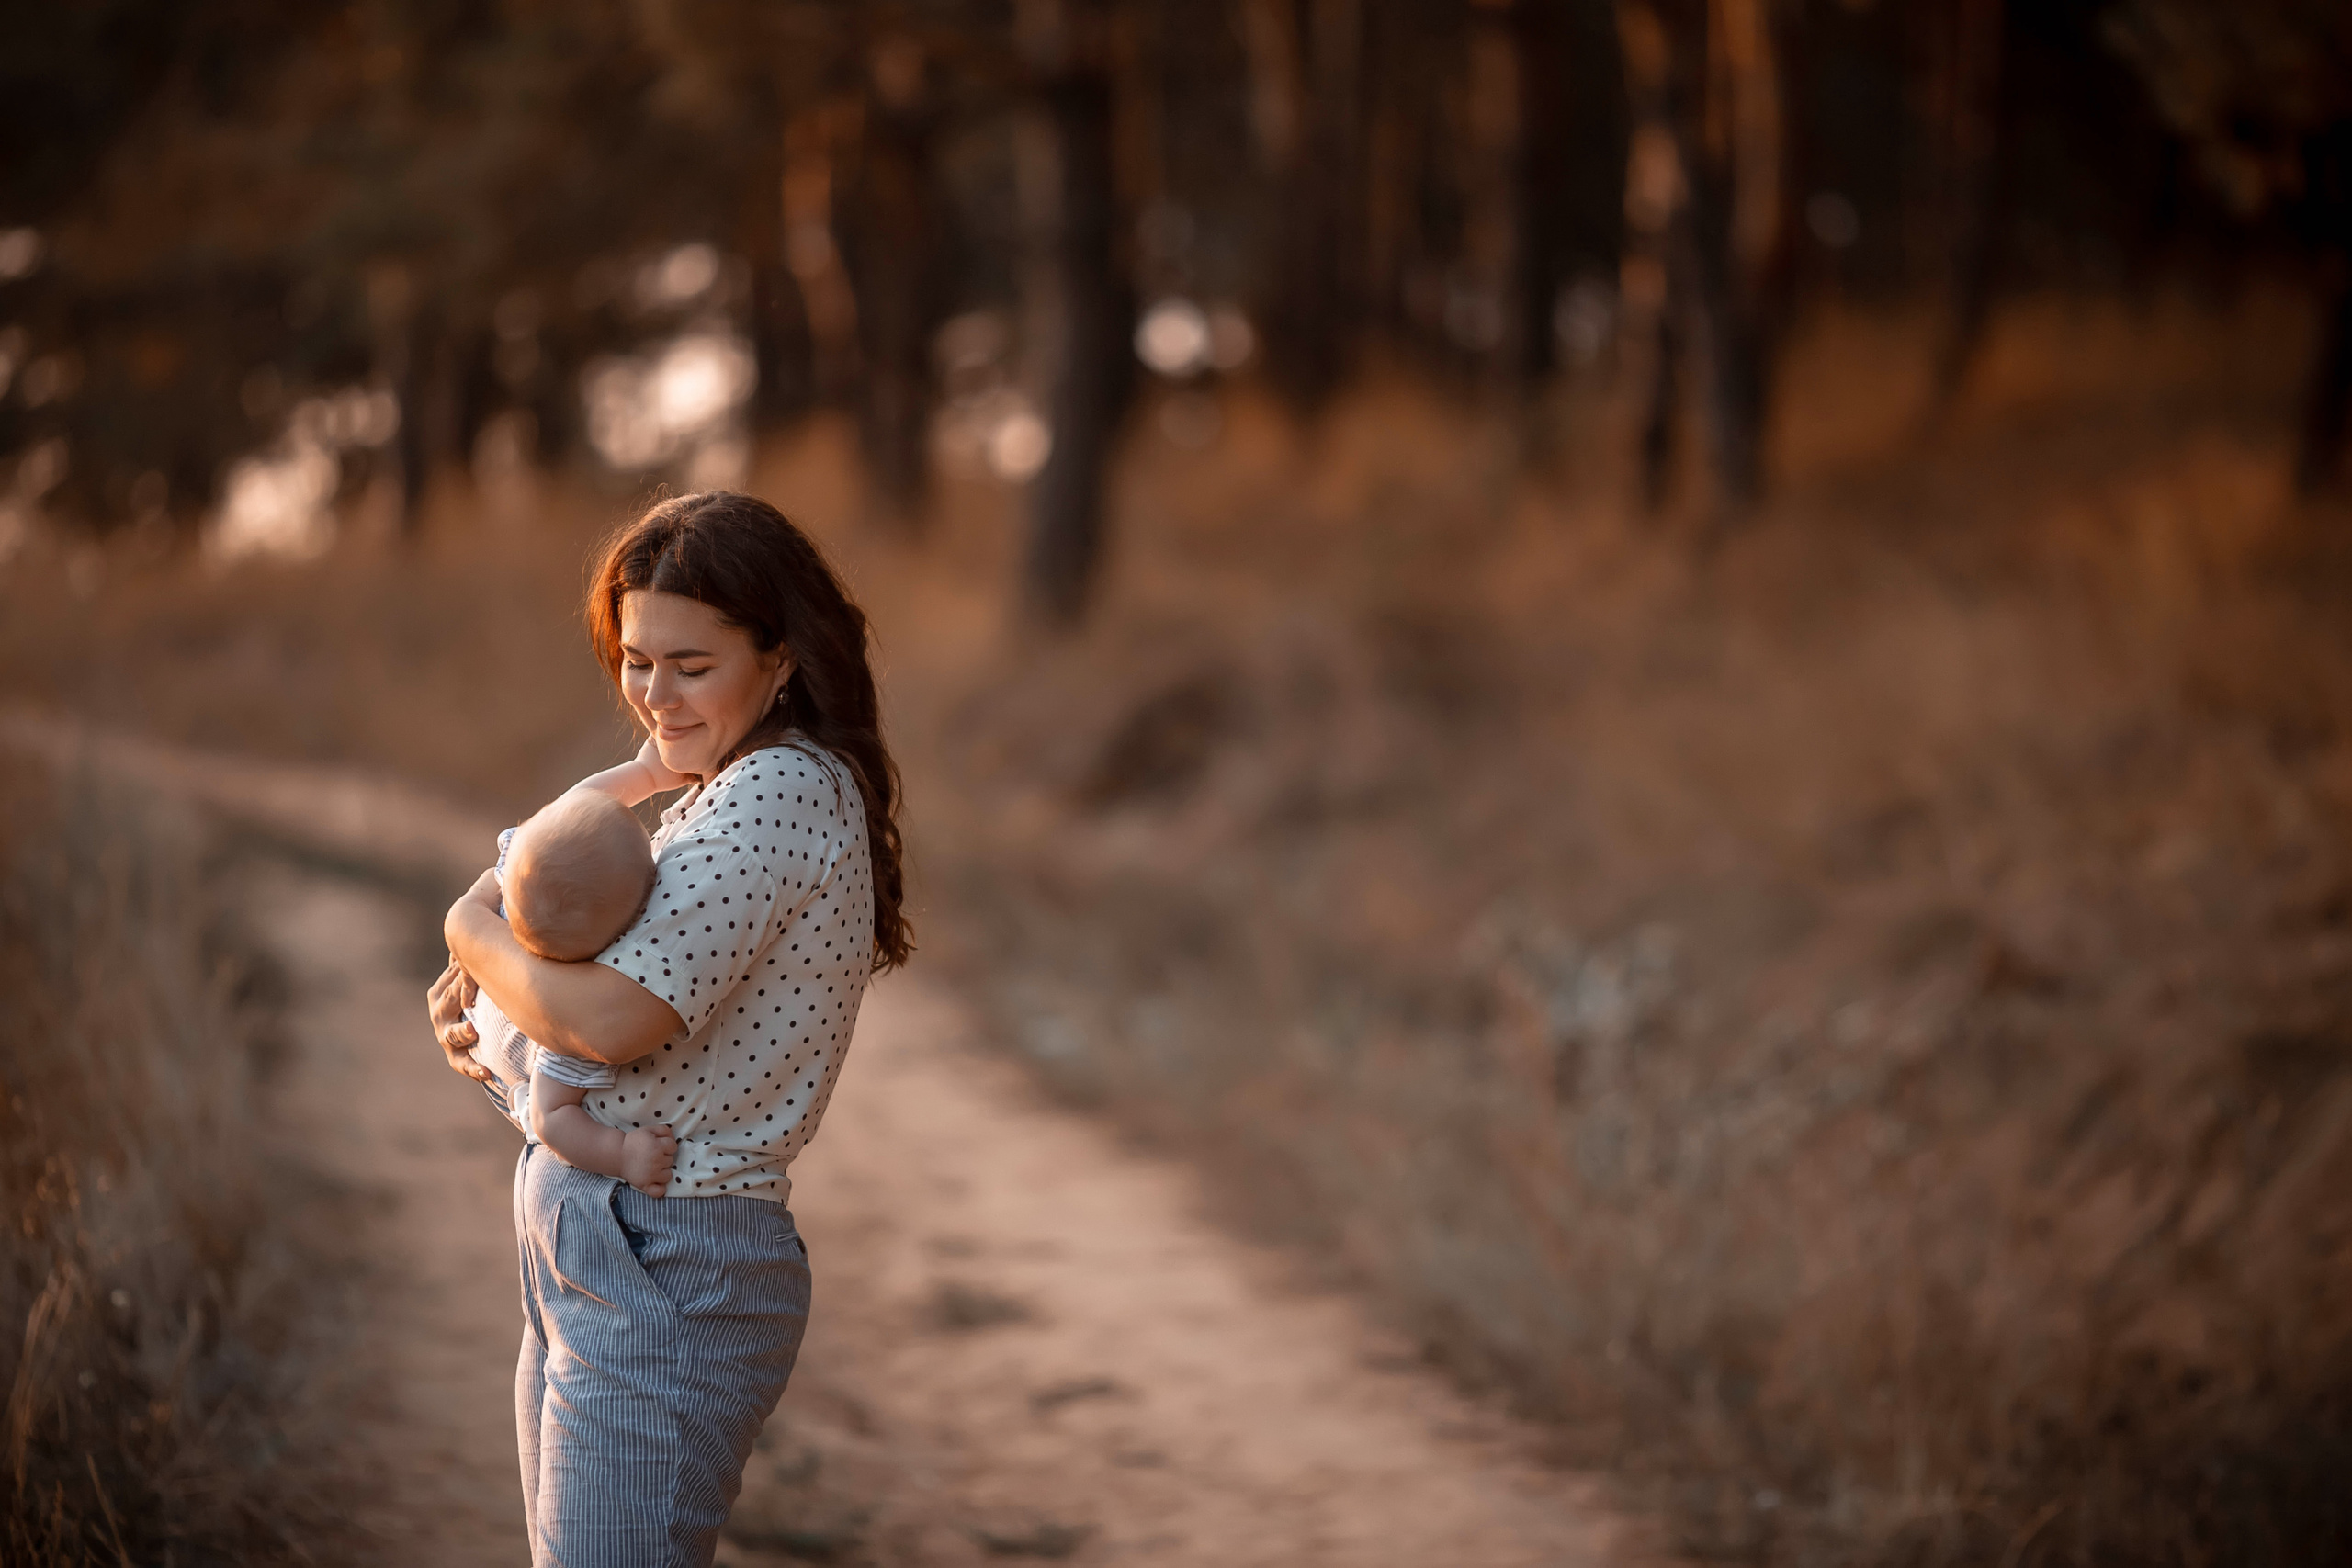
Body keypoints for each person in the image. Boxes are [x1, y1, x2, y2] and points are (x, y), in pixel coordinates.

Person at [424, 491, 910, 1568]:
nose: (653, 695)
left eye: (690, 666)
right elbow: (554, 891)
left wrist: (468, 929)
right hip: (597, 1240)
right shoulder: (713, 787)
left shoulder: (779, 791)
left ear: (780, 659)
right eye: (636, 660)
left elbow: (607, 1020)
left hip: (668, 1257)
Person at [462, 739, 691, 1197]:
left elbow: (572, 810)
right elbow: (555, 1120)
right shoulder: (569, 1028)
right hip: (504, 1052)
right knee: (543, 1106)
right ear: (620, 940)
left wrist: (645, 774)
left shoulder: (523, 871)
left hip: (487, 989)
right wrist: (623, 1154)